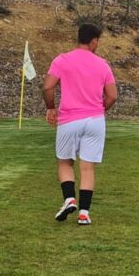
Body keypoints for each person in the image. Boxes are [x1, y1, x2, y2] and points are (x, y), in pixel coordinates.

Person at [42, 23, 118, 226]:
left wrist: (51, 108)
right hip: (95, 121)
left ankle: (69, 199)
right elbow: (112, 96)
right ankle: (84, 213)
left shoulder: (62, 60)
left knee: (65, 162)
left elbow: (48, 87)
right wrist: (99, 110)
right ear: (94, 41)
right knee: (87, 168)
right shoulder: (102, 64)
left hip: (69, 119)